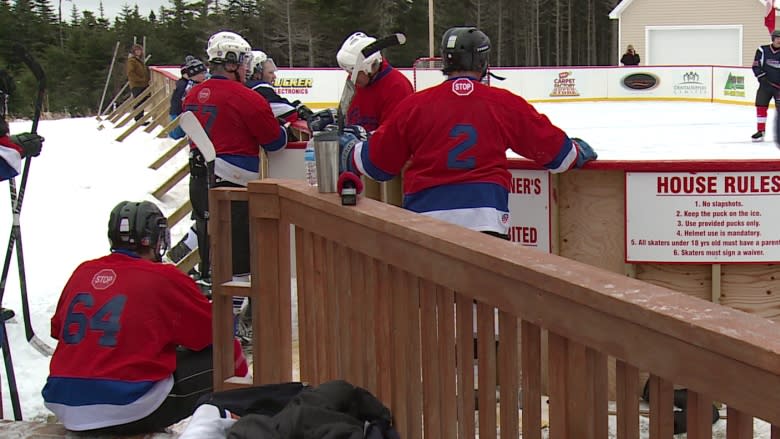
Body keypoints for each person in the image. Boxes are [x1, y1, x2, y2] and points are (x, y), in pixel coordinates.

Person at [338, 26, 597, 240]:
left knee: (430, 301)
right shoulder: (504, 103)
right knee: (483, 301)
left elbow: (377, 165)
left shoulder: (415, 106)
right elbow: (557, 155)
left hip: (426, 221)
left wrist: (351, 148)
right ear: (483, 62)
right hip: (487, 220)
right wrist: (576, 152)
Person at [42, 200, 247, 434]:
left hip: (64, 400)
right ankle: (242, 423)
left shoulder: (83, 270)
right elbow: (217, 331)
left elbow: (60, 329)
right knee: (229, 353)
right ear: (157, 238)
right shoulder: (163, 276)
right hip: (125, 405)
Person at [183, 31, 287, 278]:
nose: (245, 68)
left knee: (209, 241)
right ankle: (235, 311)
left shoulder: (193, 94)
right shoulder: (247, 97)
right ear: (231, 63)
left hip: (199, 179)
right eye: (242, 62)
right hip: (234, 185)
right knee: (239, 261)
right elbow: (274, 142)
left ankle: (207, 282)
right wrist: (285, 127)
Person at [336, 31, 414, 203]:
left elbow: (394, 140)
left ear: (371, 66)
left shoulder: (397, 87)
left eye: (354, 72)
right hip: (360, 170)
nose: (351, 77)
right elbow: (345, 115)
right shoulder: (355, 81)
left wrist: (360, 136)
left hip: (386, 181)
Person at [246, 50, 313, 124]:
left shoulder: (248, 87)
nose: (274, 76)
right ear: (256, 73)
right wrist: (298, 109)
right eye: (270, 73)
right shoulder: (260, 88)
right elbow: (288, 112)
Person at [169, 55, 208, 140]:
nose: (205, 76)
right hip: (180, 114)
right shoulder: (187, 86)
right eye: (202, 73)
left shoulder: (196, 85)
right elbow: (184, 101)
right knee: (176, 137)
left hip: (184, 115)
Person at [751, 29, 780, 142]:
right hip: (765, 86)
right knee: (761, 106)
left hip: (779, 88)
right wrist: (761, 76)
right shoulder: (762, 50)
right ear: (773, 39)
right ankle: (761, 131)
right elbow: (755, 65)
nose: (779, 40)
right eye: (777, 38)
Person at [126, 43, 150, 122]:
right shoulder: (132, 61)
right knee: (139, 101)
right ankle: (138, 119)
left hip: (143, 84)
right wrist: (140, 79)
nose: (139, 52)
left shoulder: (139, 61)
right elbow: (131, 73)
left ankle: (141, 118)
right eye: (137, 50)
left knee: (143, 100)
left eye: (140, 50)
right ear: (134, 51)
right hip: (137, 85)